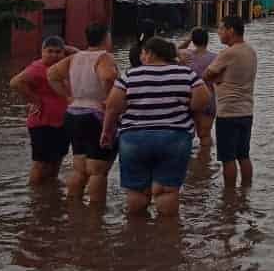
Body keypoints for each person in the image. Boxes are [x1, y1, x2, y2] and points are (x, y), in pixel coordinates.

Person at [102, 36, 209, 217]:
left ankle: (137, 235)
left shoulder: (131, 74)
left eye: (143, 52)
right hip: (175, 137)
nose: (142, 56)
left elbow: (113, 106)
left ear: (150, 54)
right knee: (167, 190)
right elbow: (202, 101)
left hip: (134, 138)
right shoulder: (186, 74)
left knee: (136, 190)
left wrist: (106, 131)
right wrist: (184, 107)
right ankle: (166, 238)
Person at [48, 23, 119, 205]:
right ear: (105, 38)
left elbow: (52, 74)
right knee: (97, 170)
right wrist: (109, 98)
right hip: (95, 115)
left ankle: (74, 209)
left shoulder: (75, 57)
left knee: (79, 168)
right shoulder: (104, 57)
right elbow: (108, 77)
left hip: (73, 114)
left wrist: (69, 97)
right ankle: (96, 214)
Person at [8, 35, 74, 186]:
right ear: (42, 52)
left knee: (57, 160)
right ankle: (35, 197)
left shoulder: (63, 66)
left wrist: (67, 48)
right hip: (42, 122)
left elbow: (80, 55)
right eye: (49, 51)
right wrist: (35, 100)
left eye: (58, 52)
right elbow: (15, 82)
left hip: (62, 121)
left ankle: (50, 195)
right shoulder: (38, 67)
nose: (54, 55)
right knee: (40, 163)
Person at [204, 16, 258, 188]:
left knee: (228, 158)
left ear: (231, 31)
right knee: (243, 155)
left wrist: (218, 78)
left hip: (228, 112)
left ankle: (229, 196)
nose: (219, 33)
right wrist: (221, 77)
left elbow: (207, 75)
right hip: (246, 111)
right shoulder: (250, 51)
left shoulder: (229, 53)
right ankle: (245, 192)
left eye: (221, 29)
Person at [179, 27, 218, 148]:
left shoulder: (186, 55)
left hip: (190, 99)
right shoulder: (215, 58)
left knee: (187, 136)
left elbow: (174, 50)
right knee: (205, 135)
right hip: (209, 99)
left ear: (193, 41)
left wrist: (188, 39)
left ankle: (190, 164)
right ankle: (205, 163)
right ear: (207, 40)